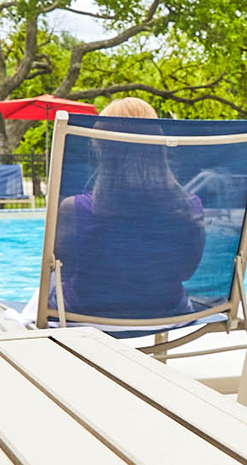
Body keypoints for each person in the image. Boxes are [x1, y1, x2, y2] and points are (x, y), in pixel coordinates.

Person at [54, 96, 207, 319]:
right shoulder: (189, 208)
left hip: (85, 317)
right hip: (169, 314)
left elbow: (62, 272)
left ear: (101, 150)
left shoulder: (74, 210)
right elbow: (187, 272)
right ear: (159, 145)